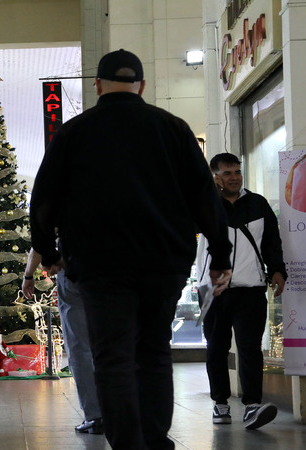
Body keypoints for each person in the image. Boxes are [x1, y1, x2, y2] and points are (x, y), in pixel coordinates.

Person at [29, 49, 233, 450]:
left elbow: (44, 198)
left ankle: (126, 444)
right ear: (141, 85)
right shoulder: (172, 129)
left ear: (98, 85)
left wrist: (47, 252)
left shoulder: (74, 132)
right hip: (162, 263)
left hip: (99, 265)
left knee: (112, 356)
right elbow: (204, 198)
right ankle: (156, 441)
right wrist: (221, 256)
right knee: (154, 350)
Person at [197, 153, 287, 430]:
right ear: (215, 177)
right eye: (226, 173)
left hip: (251, 288)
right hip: (214, 290)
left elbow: (272, 239)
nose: (234, 177)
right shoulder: (203, 203)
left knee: (250, 348)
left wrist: (277, 269)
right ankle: (220, 403)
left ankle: (252, 406)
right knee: (217, 348)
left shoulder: (257, 203)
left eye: (237, 171)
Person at [23, 248, 102, 434]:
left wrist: (28, 275)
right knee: (113, 344)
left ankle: (95, 416)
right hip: (112, 270)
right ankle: (121, 412)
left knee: (79, 346)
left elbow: (41, 239)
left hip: (74, 270)